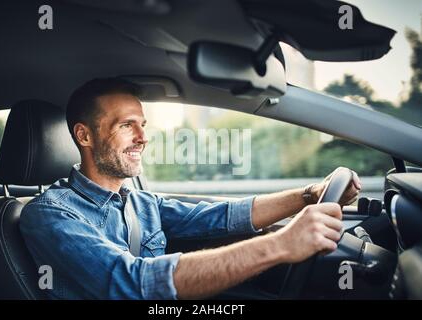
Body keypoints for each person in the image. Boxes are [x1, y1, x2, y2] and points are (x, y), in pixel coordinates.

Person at [20, 77, 361, 300]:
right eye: (127, 126)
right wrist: (282, 244)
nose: (143, 138)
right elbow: (132, 283)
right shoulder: (50, 214)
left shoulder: (141, 202)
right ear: (84, 136)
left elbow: (223, 216)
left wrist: (309, 195)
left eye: (143, 125)